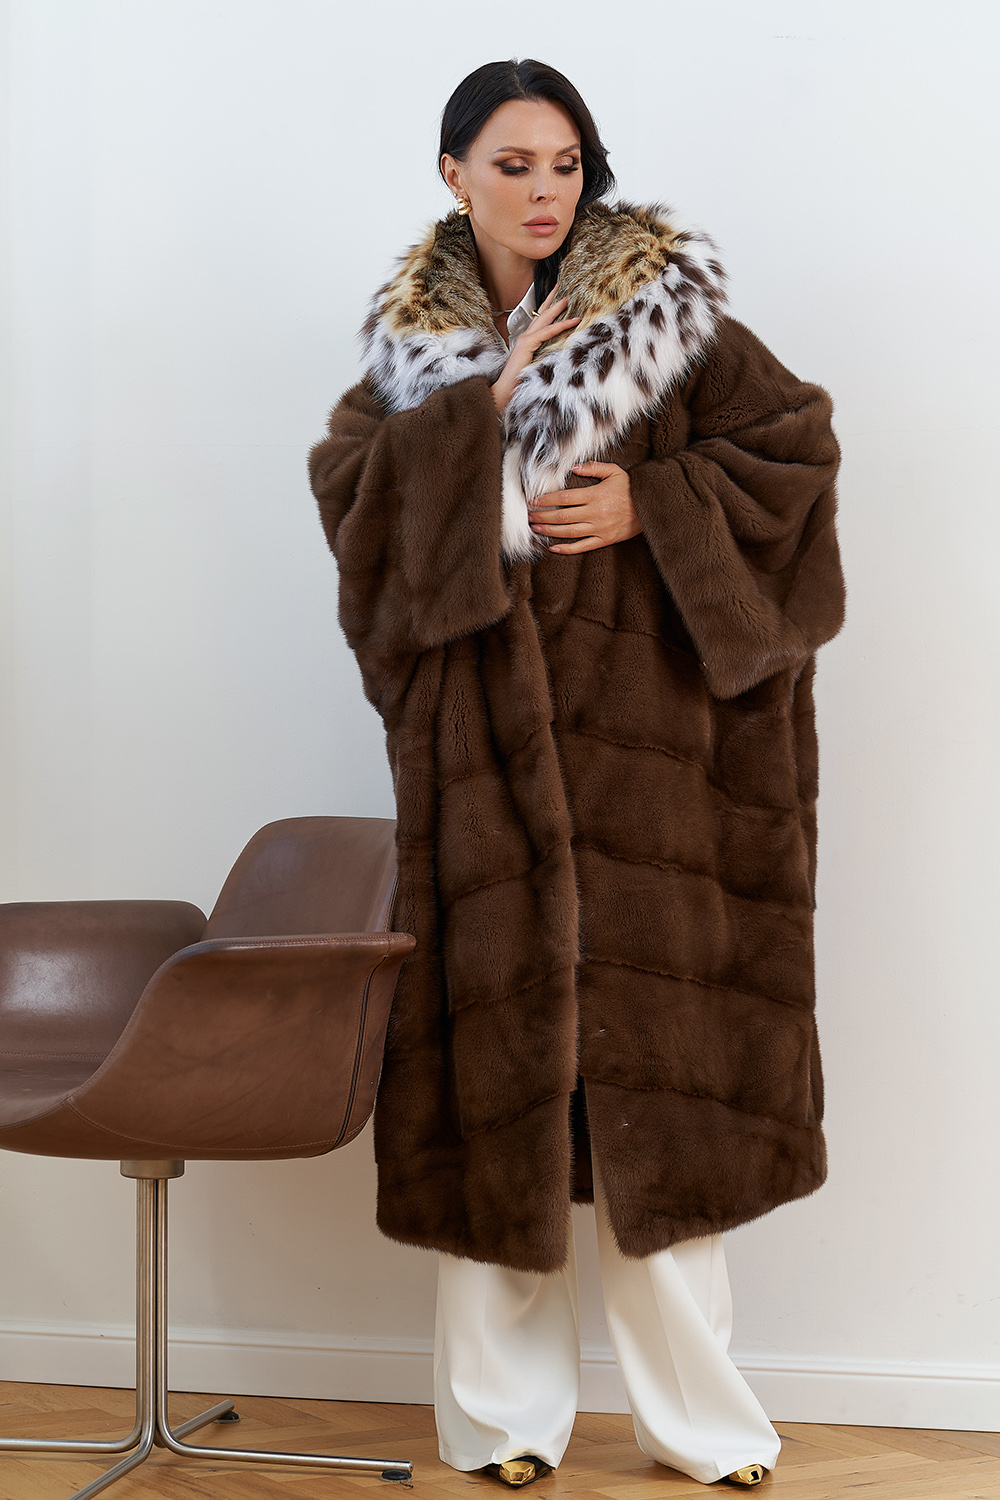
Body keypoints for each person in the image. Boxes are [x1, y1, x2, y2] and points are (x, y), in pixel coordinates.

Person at [308, 58, 846, 1491]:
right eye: (514, 165)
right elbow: (353, 512)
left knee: (665, 1106)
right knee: (505, 1102)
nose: (546, 191)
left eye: (566, 164)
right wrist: (473, 423)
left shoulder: (669, 325)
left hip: (663, 775)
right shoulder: (414, 361)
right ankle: (503, 1426)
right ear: (453, 174)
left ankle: (705, 1428)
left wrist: (655, 503)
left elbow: (794, 456)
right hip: (484, 774)